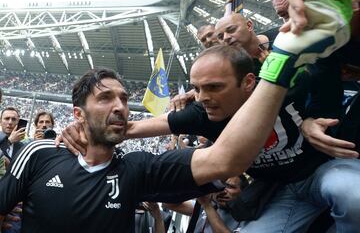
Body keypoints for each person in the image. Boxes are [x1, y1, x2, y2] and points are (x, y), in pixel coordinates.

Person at [0, 59, 296, 232]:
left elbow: (227, 160)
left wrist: (279, 61)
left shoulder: (137, 169)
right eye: (105, 99)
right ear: (78, 114)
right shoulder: (39, 154)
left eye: (124, 99)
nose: (120, 107)